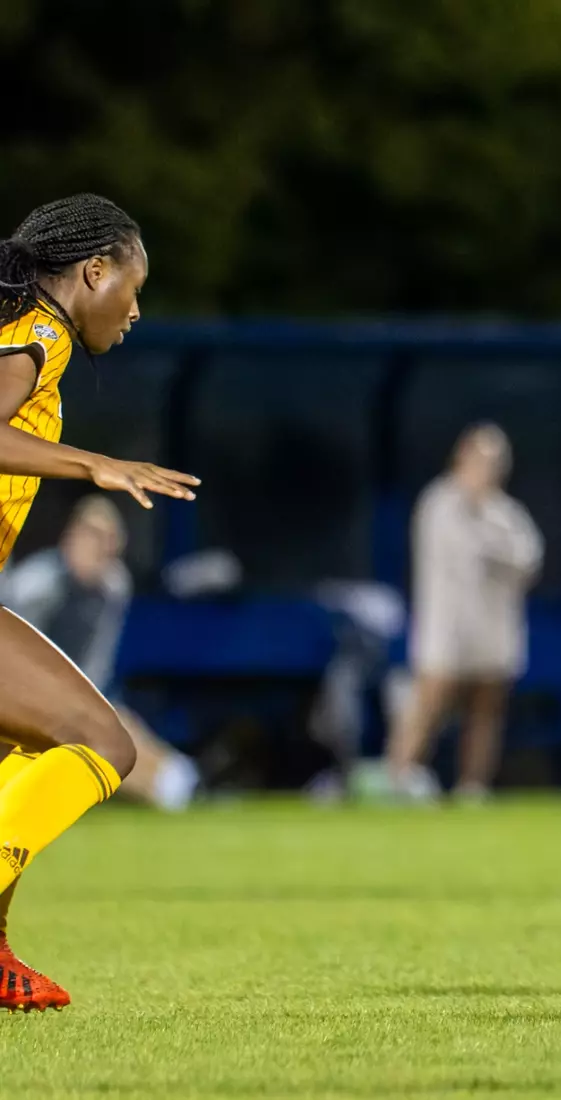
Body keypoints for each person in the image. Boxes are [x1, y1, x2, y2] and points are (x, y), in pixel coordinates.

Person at [0, 194, 201, 1012]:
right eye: (133, 286)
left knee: (25, 751)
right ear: (93, 271)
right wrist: (93, 466)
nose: (136, 309)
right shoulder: (39, 328)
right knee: (100, 742)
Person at [0, 495, 200, 811]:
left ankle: (176, 779)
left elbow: (98, 658)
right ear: (73, 538)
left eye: (109, 542)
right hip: (22, 696)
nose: (101, 550)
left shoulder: (113, 585)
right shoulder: (37, 584)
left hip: (72, 692)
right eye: (94, 539)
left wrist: (85, 705)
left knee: (123, 733)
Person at [383, 423, 543, 802]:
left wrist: (494, 545)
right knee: (429, 705)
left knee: (486, 709)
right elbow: (466, 552)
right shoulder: (439, 502)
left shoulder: (505, 511)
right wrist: (494, 547)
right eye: (481, 460)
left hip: (494, 628)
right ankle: (398, 776)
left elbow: (529, 558)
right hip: (446, 628)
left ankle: (473, 787)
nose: (487, 469)